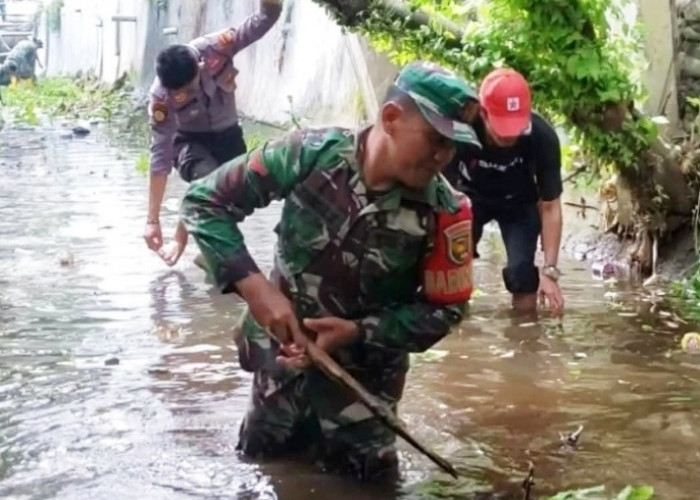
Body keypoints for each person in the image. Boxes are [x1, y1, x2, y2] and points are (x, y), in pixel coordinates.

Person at [180, 61, 482, 480]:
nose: (443, 156)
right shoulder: (309, 155)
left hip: (362, 395)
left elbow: (446, 311)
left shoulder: (446, 212)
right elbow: (204, 202)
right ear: (392, 119)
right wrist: (255, 289)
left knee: (367, 488)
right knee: (262, 473)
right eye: (435, 140)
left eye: (452, 146)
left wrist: (360, 332)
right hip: (280, 374)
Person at [143, 0, 282, 267]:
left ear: (200, 65)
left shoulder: (217, 46)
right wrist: (152, 220)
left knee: (235, 194)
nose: (189, 92)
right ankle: (183, 242)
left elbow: (262, 21)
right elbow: (160, 156)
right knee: (207, 178)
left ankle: (208, 253)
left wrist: (270, 6)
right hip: (188, 141)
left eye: (190, 85)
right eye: (180, 91)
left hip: (228, 134)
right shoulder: (161, 97)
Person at [444, 67, 564, 317]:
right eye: (502, 127)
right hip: (468, 199)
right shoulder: (460, 129)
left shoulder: (542, 137)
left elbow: (551, 206)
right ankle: (456, 325)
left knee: (523, 273)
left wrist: (550, 272)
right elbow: (440, 191)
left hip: (519, 203)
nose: (509, 136)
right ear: (483, 113)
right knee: (452, 264)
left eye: (516, 127)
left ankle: (524, 334)